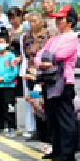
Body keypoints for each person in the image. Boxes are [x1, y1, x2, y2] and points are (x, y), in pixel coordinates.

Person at [35, 8, 78, 161]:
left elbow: (60, 55)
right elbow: (39, 55)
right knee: (52, 116)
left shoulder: (73, 38)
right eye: (57, 19)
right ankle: (57, 148)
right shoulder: (53, 39)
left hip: (64, 81)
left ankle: (67, 151)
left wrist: (46, 59)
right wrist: (42, 62)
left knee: (64, 116)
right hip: (50, 80)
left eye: (61, 19)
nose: (58, 21)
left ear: (70, 22)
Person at [20, 11, 51, 140]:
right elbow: (25, 54)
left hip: (43, 73)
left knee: (44, 100)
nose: (32, 24)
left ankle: (48, 130)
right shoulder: (26, 36)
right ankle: (37, 130)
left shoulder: (48, 36)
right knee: (34, 100)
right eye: (30, 21)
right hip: (31, 73)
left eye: (34, 21)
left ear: (41, 22)